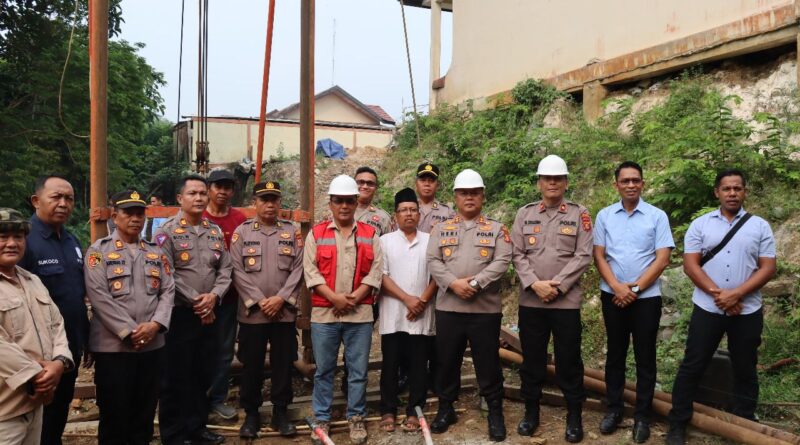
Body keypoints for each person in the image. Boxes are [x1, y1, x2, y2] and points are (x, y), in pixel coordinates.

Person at [666, 169, 776, 445]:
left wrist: (736, 294)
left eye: (737, 188)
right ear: (717, 192)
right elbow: (690, 265)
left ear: (745, 192)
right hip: (708, 308)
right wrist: (720, 296)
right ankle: (678, 422)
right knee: (693, 364)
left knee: (745, 366)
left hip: (747, 310)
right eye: (726, 189)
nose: (732, 193)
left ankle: (744, 422)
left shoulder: (759, 226)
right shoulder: (700, 225)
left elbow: (768, 267)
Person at [511, 155, 593, 443]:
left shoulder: (579, 214)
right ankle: (531, 413)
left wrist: (557, 287)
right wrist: (535, 284)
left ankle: (574, 416)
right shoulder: (524, 214)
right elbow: (517, 253)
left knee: (569, 360)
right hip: (531, 301)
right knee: (532, 360)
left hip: (565, 302)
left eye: (558, 178)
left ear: (566, 182)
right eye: (547, 178)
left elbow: (584, 255)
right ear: (539, 183)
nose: (552, 183)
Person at [426, 168, 512, 442]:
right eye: (464, 193)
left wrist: (475, 283)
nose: (469, 197)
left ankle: (495, 412)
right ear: (455, 196)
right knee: (446, 361)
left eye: (475, 192)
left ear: (483, 196)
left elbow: (502, 261)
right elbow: (433, 260)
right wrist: (453, 283)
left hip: (484, 310)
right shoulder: (440, 229)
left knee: (488, 363)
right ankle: (446, 409)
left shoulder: (497, 229)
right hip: (449, 309)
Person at [84, 191, 175, 444]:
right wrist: (130, 331)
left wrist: (155, 325)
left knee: (144, 412)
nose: (135, 219)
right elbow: (98, 296)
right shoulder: (98, 251)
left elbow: (168, 290)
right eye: (128, 213)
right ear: (115, 217)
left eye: (140, 214)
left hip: (152, 347)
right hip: (113, 348)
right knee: (114, 414)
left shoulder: (156, 252)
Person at [593, 161, 674, 443]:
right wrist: (617, 287)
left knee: (645, 357)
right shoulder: (604, 216)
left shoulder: (657, 216)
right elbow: (599, 255)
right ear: (616, 185)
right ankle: (614, 409)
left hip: (646, 298)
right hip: (612, 296)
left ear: (642, 183)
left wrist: (636, 288)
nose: (630, 185)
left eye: (635, 180)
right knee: (615, 355)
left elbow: (662, 258)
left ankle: (642, 416)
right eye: (625, 181)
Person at [304, 175, 384, 445]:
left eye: (349, 200)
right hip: (324, 316)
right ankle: (322, 418)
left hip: (359, 316)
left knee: (358, 371)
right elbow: (311, 272)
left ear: (356, 202)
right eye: (339, 200)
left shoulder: (370, 234)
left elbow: (376, 272)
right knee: (324, 370)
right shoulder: (317, 234)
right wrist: (334, 299)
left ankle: (356, 416)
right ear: (331, 203)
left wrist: (353, 299)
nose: (344, 206)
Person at [155, 175, 232, 445]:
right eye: (192, 193)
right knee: (175, 376)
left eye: (202, 193)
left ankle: (197, 428)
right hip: (180, 315)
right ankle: (174, 435)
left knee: (203, 373)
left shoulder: (214, 231)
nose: (199, 198)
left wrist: (214, 296)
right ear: (180, 198)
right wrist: (198, 301)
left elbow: (225, 268)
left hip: (211, 312)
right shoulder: (166, 231)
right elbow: (166, 272)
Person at [19, 175, 88, 445]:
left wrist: (84, 338)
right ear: (36, 201)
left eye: (69, 198)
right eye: (56, 197)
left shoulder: (72, 241)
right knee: (34, 418)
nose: (63, 203)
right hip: (37, 354)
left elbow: (76, 295)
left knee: (59, 412)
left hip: (68, 348)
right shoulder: (23, 241)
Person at [231, 181, 303, 439]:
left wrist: (281, 299)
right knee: (251, 365)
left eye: (274, 199)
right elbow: (236, 269)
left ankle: (280, 413)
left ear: (279, 202)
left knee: (283, 364)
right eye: (264, 199)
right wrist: (260, 301)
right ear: (255, 203)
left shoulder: (292, 232)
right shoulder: (242, 233)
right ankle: (251, 414)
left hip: (283, 313)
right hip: (253, 314)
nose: (270, 204)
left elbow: (299, 268)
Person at [0, 207, 74, 445]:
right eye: (3, 237)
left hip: (35, 406)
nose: (12, 243)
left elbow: (57, 325)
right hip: (5, 412)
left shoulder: (33, 281)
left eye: (18, 237)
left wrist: (59, 363)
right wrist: (40, 377)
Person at [378, 188, 437, 433]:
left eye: (413, 209)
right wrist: (407, 299)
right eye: (403, 210)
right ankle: (388, 409)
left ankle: (415, 410)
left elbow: (437, 275)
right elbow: (381, 276)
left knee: (418, 364)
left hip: (422, 313)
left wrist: (421, 301)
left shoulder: (431, 240)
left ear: (419, 214)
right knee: (390, 364)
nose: (409, 214)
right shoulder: (384, 241)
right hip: (393, 314)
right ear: (396, 215)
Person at [202, 169, 248, 421]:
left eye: (227, 187)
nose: (222, 191)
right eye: (218, 186)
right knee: (198, 349)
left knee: (224, 350)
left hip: (229, 298)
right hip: (198, 300)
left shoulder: (239, 219)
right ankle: (196, 399)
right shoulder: (199, 217)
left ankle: (217, 399)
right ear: (209, 189)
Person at [415, 162, 455, 233]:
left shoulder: (448, 212)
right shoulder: (406, 210)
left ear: (437, 185)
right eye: (423, 180)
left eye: (431, 181)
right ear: (416, 184)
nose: (427, 184)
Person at [354, 166, 392, 236]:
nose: (365, 186)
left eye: (370, 183)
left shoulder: (384, 218)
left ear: (376, 188)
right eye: (361, 182)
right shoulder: (338, 211)